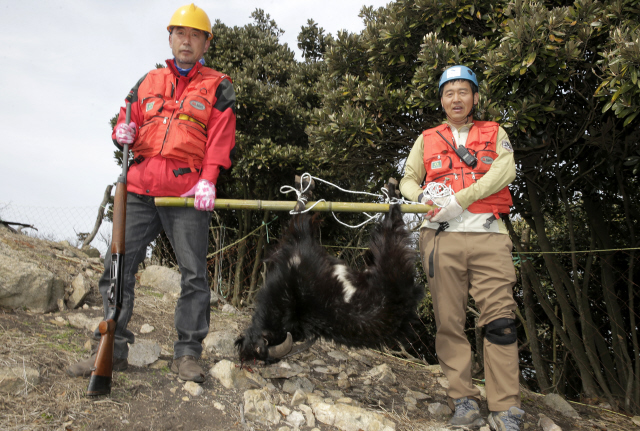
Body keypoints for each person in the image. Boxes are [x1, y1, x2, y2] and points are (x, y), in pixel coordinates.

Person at [66, 3, 236, 383]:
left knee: (193, 276)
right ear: (170, 37)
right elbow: (127, 119)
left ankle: (188, 354)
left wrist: (209, 178)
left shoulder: (218, 86)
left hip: (187, 196)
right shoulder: (147, 80)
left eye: (195, 35)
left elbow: (220, 140)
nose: (186, 41)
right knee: (117, 268)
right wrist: (120, 132)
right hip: (139, 191)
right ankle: (109, 349)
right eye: (180, 33)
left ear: (206, 42)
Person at [400, 65, 524, 431]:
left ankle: (506, 407)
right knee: (449, 321)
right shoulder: (427, 138)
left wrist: (461, 199)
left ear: (475, 97)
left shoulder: (495, 132)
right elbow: (408, 178)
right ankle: (463, 400)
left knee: (500, 320)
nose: (456, 98)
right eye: (449, 92)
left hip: (489, 234)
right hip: (441, 237)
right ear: (441, 99)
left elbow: (505, 171)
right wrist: (421, 194)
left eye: (463, 91)